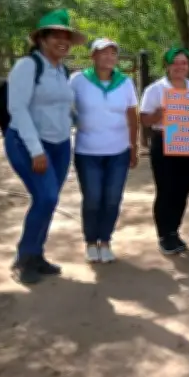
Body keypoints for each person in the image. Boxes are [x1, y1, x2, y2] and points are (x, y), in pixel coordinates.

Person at [4, 9, 85, 284]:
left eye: (66, 37)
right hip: (28, 143)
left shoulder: (62, 70)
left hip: (60, 145)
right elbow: (18, 109)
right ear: (41, 39)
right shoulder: (28, 66)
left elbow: (61, 106)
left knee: (49, 200)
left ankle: (37, 254)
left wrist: (77, 119)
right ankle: (24, 258)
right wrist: (36, 150)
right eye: (56, 36)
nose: (63, 41)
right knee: (46, 197)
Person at [72, 38, 138, 264]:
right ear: (93, 56)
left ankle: (106, 241)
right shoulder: (78, 80)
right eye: (103, 53)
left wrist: (133, 146)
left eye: (113, 53)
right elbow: (64, 108)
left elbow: (132, 116)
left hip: (118, 151)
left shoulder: (125, 82)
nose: (108, 57)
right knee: (92, 198)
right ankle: (91, 241)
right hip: (87, 151)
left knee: (112, 199)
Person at [140, 47, 189, 255]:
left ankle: (174, 230)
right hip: (164, 141)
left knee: (183, 189)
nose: (179, 67)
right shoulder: (155, 89)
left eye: (184, 63)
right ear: (167, 65)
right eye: (175, 62)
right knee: (166, 189)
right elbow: (144, 120)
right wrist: (158, 115)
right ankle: (164, 234)